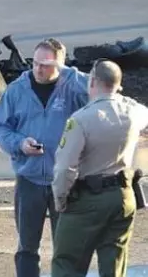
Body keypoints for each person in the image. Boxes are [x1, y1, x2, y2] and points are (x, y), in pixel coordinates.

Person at [0, 38, 89, 277]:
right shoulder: (17, 90)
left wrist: (69, 72)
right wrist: (20, 144)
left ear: (60, 65)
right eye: (35, 63)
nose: (38, 69)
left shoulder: (73, 86)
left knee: (66, 248)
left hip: (65, 180)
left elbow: (101, 90)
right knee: (27, 248)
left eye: (46, 64)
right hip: (29, 180)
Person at [50, 59, 148, 277]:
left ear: (92, 81)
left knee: (67, 263)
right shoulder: (135, 112)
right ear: (118, 85)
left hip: (87, 199)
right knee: (114, 264)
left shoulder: (81, 119)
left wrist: (60, 198)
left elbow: (65, 167)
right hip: (123, 195)